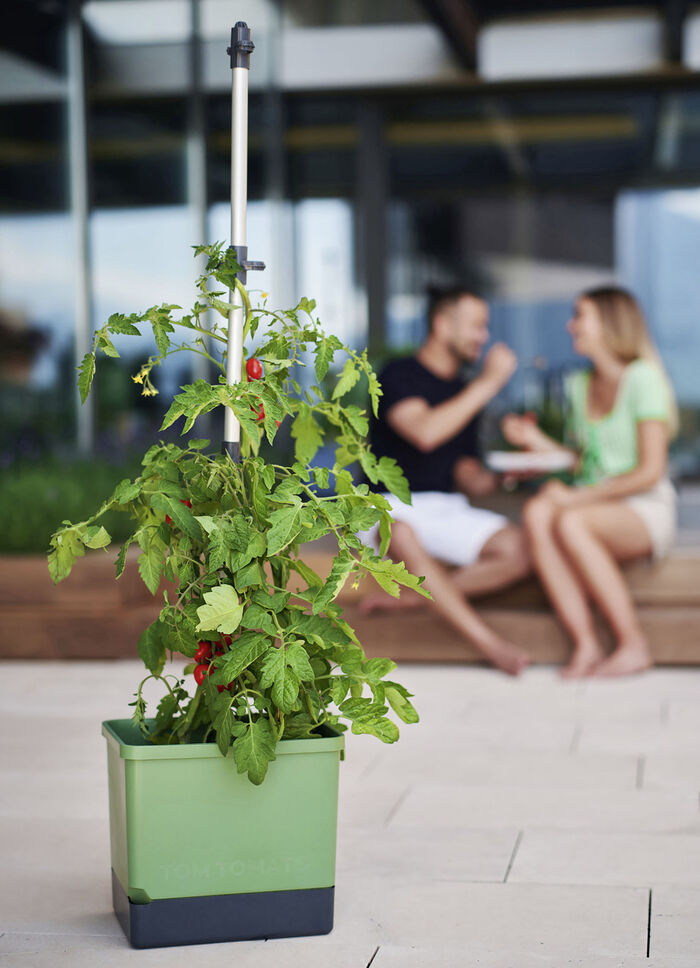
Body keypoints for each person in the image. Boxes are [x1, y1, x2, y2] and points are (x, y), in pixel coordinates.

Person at [502, 286, 677, 678]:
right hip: (598, 501)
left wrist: (577, 497)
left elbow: (649, 470)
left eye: (580, 316)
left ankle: (634, 644)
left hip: (644, 506)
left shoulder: (642, 379)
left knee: (569, 519)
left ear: (610, 324)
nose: (570, 325)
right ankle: (586, 644)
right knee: (537, 509)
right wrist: (537, 445)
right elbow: (588, 462)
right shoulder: (580, 385)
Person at [359, 286, 532, 676]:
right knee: (400, 533)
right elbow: (425, 431)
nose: (483, 337)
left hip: (445, 507)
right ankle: (492, 645)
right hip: (386, 504)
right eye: (477, 326)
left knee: (523, 548)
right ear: (441, 324)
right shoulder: (398, 374)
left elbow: (467, 475)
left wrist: (507, 475)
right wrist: (489, 383)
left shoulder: (462, 390)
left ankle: (413, 599)